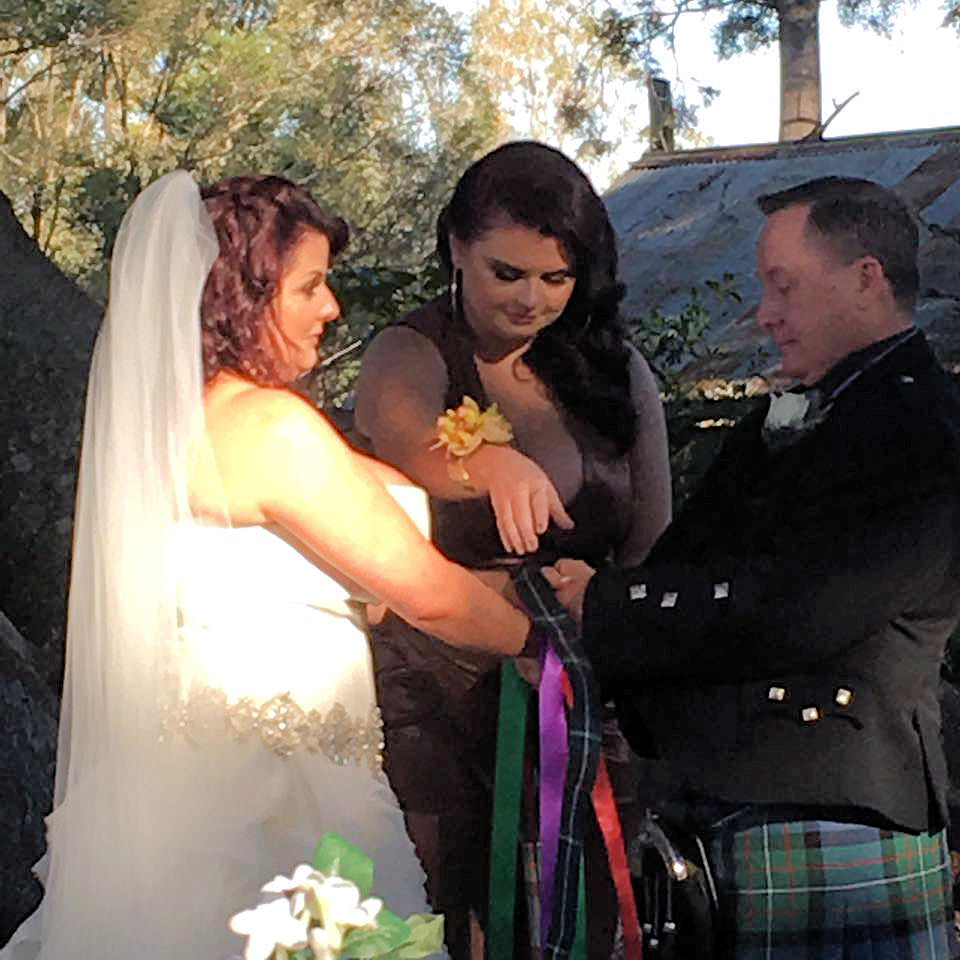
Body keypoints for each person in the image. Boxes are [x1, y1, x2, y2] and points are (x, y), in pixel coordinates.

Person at [1, 171, 531, 960]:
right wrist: (544, 636)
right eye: (310, 286)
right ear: (243, 298)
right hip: (288, 811)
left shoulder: (175, 428)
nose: (332, 308)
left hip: (192, 806)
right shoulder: (272, 429)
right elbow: (427, 593)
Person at [549, 176, 960, 958]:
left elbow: (800, 606)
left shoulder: (921, 427)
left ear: (867, 278)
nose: (766, 313)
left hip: (835, 804)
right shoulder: (816, 408)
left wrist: (608, 605)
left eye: (784, 285)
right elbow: (696, 556)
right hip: (755, 803)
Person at [353, 140, 672, 958]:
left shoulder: (617, 367)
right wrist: (484, 464)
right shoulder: (409, 351)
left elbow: (655, 541)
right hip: (439, 697)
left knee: (591, 909)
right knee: (445, 911)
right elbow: (408, 439)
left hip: (585, 689)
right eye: (508, 273)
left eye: (556, 279)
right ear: (457, 247)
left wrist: (606, 598)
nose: (532, 299)